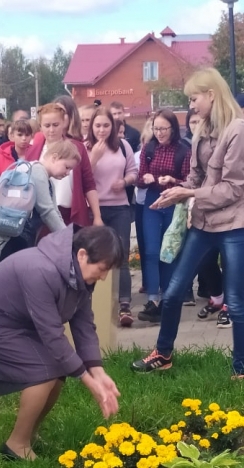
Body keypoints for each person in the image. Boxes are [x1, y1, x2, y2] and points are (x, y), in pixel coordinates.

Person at [132, 68, 244, 379]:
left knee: (236, 303)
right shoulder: (203, 130)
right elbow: (195, 177)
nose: (191, 106)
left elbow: (232, 188)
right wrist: (177, 194)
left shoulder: (238, 130)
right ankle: (163, 354)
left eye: (194, 98)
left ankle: (240, 371)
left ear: (211, 95)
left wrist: (188, 192)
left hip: (235, 225)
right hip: (203, 223)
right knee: (173, 292)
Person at [0, 225, 123, 460]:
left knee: (57, 370)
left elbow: (84, 324)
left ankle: (28, 436)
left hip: (18, 321)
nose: (103, 276)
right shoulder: (41, 270)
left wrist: (98, 372)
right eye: (102, 269)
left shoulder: (77, 274)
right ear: (82, 255)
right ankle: (16, 445)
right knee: (44, 372)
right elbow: (52, 335)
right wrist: (88, 381)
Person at [0, 140, 74, 267]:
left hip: (3, 235)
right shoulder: (38, 172)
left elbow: (55, 211)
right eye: (67, 167)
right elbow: (47, 212)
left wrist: (67, 236)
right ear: (54, 158)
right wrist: (68, 242)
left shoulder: (43, 176)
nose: (68, 173)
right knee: (2, 283)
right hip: (3, 240)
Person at [133, 109, 191, 323]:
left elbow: (189, 181)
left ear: (173, 128)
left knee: (169, 251)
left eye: (163, 129)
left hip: (173, 201)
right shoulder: (148, 148)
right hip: (152, 201)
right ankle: (152, 300)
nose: (159, 133)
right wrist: (147, 178)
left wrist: (173, 181)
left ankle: (168, 299)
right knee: (150, 251)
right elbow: (139, 179)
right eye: (156, 129)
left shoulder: (184, 150)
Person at [86, 106, 137, 326]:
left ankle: (124, 306)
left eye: (106, 125)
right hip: (94, 208)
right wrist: (94, 158)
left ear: (113, 126)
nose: (102, 129)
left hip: (120, 208)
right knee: (94, 256)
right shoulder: (85, 147)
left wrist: (124, 182)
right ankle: (93, 303)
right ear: (91, 126)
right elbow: (80, 175)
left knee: (122, 256)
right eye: (97, 125)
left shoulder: (123, 146)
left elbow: (133, 172)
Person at [25, 101, 102, 229]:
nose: (51, 130)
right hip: (42, 217)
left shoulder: (77, 147)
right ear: (40, 126)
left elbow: (89, 183)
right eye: (47, 125)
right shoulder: (33, 151)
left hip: (73, 213)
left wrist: (97, 216)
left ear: (64, 123)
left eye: (55, 125)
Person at [133, 119, 154, 294]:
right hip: (141, 202)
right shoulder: (136, 156)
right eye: (146, 141)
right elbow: (136, 179)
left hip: (161, 201)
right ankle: (147, 280)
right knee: (144, 243)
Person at [0, 118, 33, 188]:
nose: (24, 138)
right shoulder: (0, 158)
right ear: (12, 136)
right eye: (20, 135)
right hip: (7, 197)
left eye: (27, 135)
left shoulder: (37, 154)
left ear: (31, 136)